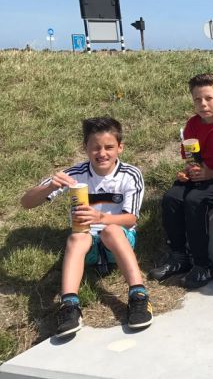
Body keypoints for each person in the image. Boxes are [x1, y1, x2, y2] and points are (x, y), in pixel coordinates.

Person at [20, 116, 150, 338]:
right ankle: (69, 305)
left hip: (118, 241)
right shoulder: (75, 174)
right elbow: (26, 203)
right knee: (76, 237)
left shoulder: (130, 174)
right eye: (95, 147)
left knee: (111, 230)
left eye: (109, 147)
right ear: (85, 148)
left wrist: (101, 217)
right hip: (86, 243)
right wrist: (50, 186)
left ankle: (138, 295)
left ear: (120, 147)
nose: (102, 153)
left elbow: (130, 219)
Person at [148, 73, 213, 288]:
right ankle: (179, 257)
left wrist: (212, 174)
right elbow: (193, 159)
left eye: (208, 98)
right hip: (204, 174)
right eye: (197, 99)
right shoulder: (193, 124)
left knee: (195, 200)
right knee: (172, 197)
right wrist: (188, 171)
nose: (203, 104)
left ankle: (203, 265)